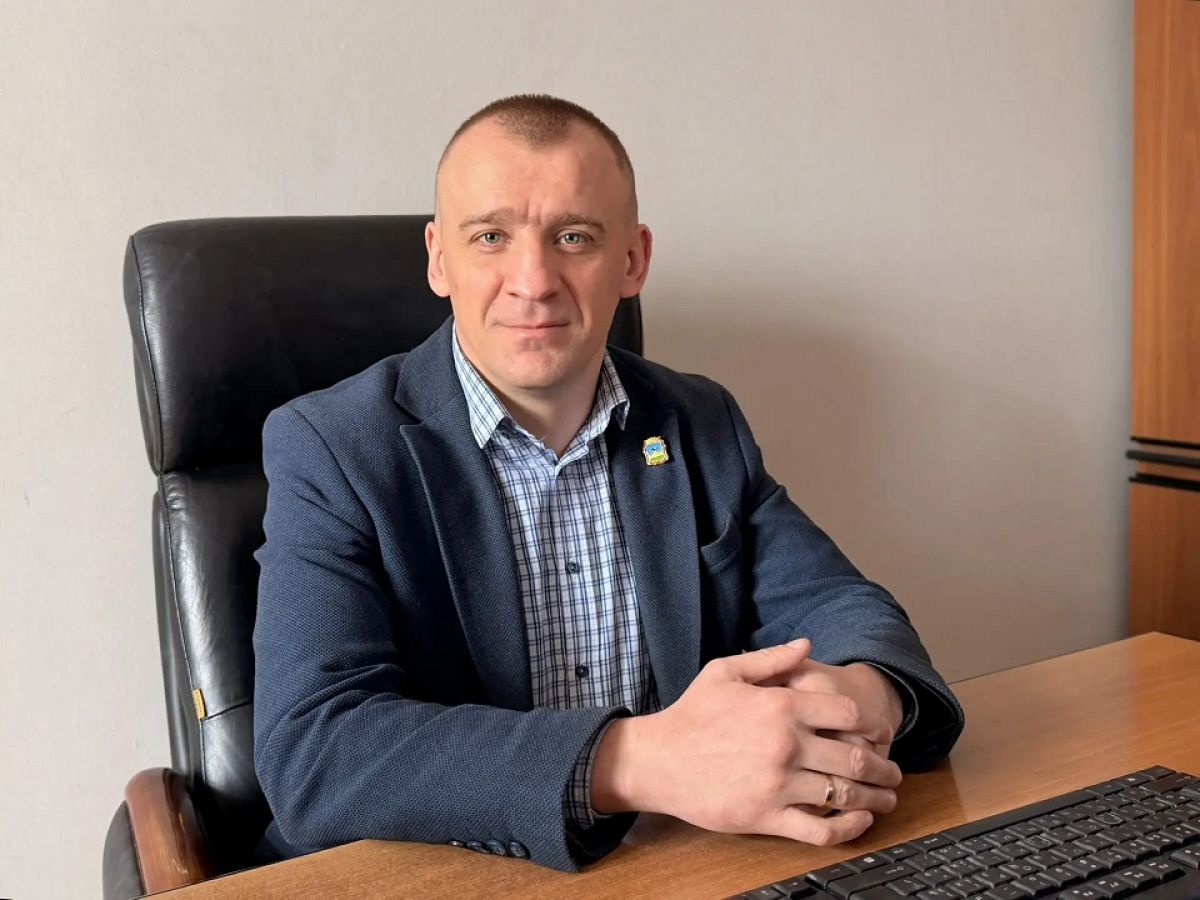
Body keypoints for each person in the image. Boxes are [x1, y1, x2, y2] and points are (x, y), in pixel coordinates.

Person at [252, 94, 964, 873]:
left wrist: (864, 695)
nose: (534, 281)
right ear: (439, 258)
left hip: (675, 864)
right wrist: (641, 761)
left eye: (574, 237)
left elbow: (837, 603)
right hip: (437, 876)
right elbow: (316, 749)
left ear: (632, 260)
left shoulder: (697, 419)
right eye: (490, 237)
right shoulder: (331, 446)